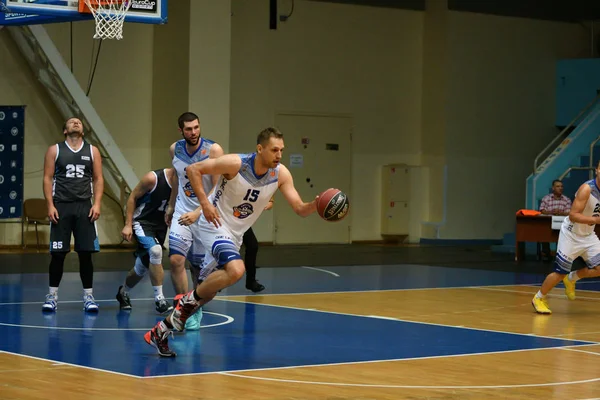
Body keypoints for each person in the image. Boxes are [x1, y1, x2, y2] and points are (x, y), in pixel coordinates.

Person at [144, 127, 321, 357]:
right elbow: (193, 169)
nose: (279, 155)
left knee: (208, 293)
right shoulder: (236, 163)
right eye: (274, 150)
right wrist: (205, 205)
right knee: (237, 269)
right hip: (214, 225)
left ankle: (161, 331)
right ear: (260, 149)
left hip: (234, 235)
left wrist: (316, 206)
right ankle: (186, 300)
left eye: (282, 150)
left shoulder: (281, 174)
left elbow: (299, 208)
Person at [165, 112, 223, 330]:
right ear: (181, 130)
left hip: (205, 213)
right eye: (188, 129)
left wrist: (199, 211)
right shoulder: (175, 149)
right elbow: (177, 180)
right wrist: (170, 206)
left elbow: (218, 189)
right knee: (175, 260)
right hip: (182, 209)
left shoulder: (213, 150)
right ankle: (181, 305)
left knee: (199, 269)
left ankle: (194, 308)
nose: (193, 132)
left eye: (196, 127)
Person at [41, 117, 103, 313]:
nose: (76, 123)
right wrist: (50, 205)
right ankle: (52, 296)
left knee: (85, 254)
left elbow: (98, 178)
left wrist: (98, 204)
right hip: (61, 206)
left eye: (79, 122)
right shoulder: (55, 150)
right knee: (58, 254)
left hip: (84, 207)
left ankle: (88, 296)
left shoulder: (92, 151)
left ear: (83, 131)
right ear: (65, 130)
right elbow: (47, 178)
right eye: (71, 121)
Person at [532, 163, 600, 314]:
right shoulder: (587, 189)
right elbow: (573, 215)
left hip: (588, 235)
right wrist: (595, 220)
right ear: (597, 170)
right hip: (571, 234)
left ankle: (572, 278)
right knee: (560, 272)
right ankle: (538, 298)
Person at [116, 168, 175, 314]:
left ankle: (123, 292)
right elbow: (133, 197)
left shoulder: (184, 183)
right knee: (156, 251)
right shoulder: (153, 178)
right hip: (142, 222)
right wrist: (128, 224)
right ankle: (159, 299)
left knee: (141, 268)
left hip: (160, 227)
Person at [243, 196, 273, 293]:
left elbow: (270, 198)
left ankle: (251, 281)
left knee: (252, 246)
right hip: (226, 218)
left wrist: (270, 201)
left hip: (241, 221)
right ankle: (214, 278)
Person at [538, 179, 572, 261]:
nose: (560, 188)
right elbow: (542, 210)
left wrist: (560, 213)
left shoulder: (566, 200)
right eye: (558, 186)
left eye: (561, 186)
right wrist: (552, 212)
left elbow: (569, 213)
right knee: (543, 231)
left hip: (562, 225)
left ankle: (560, 255)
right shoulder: (546, 198)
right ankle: (546, 254)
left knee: (562, 235)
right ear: (553, 188)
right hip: (548, 224)